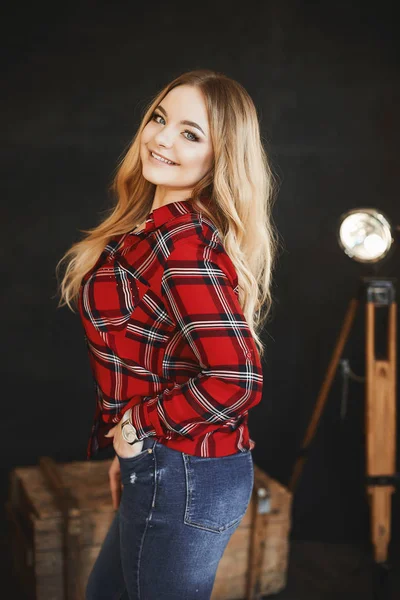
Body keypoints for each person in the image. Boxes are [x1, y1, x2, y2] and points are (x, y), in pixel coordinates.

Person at [56, 68, 279, 600]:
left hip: (183, 474)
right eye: (160, 118)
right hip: (167, 468)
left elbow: (238, 377)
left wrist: (139, 429)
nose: (161, 138)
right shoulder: (154, 228)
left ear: (219, 158)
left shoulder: (181, 242)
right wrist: (130, 453)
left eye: (190, 133)